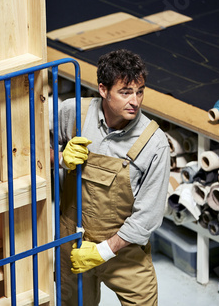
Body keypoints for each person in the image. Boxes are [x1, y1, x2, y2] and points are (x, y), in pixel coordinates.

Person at [56, 49, 170, 305]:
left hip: (125, 251)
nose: (136, 101)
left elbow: (148, 216)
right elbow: (29, 150)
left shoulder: (154, 143)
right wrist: (60, 157)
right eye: (125, 92)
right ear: (103, 90)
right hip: (73, 241)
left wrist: (103, 251)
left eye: (140, 91)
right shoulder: (74, 112)